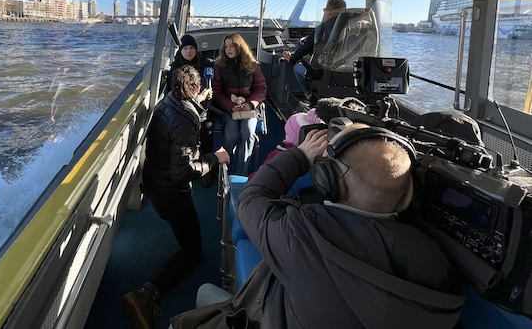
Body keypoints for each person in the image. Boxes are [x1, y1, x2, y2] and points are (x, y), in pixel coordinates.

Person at [170, 124, 465, 329]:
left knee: (195, 306)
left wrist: (298, 155)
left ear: (327, 180)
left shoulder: (302, 233)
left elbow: (250, 198)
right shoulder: (437, 265)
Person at [123, 65, 230, 329]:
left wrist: (199, 103)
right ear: (192, 89)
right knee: (193, 251)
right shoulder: (184, 118)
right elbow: (182, 171)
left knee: (186, 238)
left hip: (155, 183)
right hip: (172, 194)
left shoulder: (168, 102)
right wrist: (214, 158)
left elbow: (183, 126)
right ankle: (147, 293)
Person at [211, 33, 267, 175]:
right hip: (229, 108)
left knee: (248, 133)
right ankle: (225, 167)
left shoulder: (253, 65)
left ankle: (240, 173)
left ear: (239, 47)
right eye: (226, 47)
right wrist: (230, 106)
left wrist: (250, 104)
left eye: (232, 46)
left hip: (248, 107)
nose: (228, 49)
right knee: (232, 136)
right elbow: (216, 93)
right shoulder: (219, 66)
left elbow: (261, 89)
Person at [282, 0, 347, 104]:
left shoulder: (321, 29)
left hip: (324, 74)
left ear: (329, 12)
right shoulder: (351, 29)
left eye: (325, 10)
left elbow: (303, 50)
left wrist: (290, 58)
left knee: (297, 67)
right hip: (346, 77)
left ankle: (310, 97)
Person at [167, 34, 216, 159]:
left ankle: (206, 162)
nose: (188, 51)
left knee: (207, 130)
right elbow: (174, 92)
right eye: (185, 48)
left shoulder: (205, 63)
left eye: (191, 48)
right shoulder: (174, 68)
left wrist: (207, 94)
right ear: (180, 50)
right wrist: (198, 97)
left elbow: (209, 83)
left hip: (203, 107)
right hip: (182, 108)